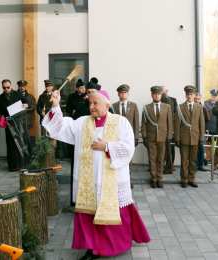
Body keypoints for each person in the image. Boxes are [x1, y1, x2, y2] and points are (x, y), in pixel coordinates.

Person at [42, 89, 150, 259]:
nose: (91, 107)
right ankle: (92, 247)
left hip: (111, 181)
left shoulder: (120, 122)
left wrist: (107, 146)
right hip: (88, 182)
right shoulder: (82, 123)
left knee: (114, 212)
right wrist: (56, 105)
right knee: (88, 214)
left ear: (107, 104)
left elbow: (129, 148)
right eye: (90, 103)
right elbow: (59, 128)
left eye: (95, 103)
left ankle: (114, 246)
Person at [141, 86, 173, 188]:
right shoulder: (146, 108)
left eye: (158, 94)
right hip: (151, 137)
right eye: (154, 94)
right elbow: (144, 123)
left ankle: (160, 178)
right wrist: (144, 136)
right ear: (152, 95)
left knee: (161, 158)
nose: (156, 96)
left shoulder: (167, 107)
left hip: (163, 137)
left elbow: (169, 123)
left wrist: (169, 136)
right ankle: (153, 178)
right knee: (152, 158)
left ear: (161, 95)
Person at [174, 85, 205, 188]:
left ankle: (192, 179)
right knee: (184, 160)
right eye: (188, 94)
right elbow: (177, 124)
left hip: (195, 138)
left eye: (191, 94)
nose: (189, 96)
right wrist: (177, 138)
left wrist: (201, 137)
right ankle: (184, 179)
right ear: (185, 95)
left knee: (193, 160)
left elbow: (201, 123)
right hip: (184, 138)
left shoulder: (199, 107)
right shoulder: (180, 107)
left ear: (194, 95)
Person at [66, 78, 89, 206]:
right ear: (76, 88)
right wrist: (73, 112)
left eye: (83, 88)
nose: (82, 90)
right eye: (80, 88)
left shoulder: (88, 100)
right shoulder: (71, 97)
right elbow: (69, 110)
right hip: (76, 132)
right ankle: (74, 198)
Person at [0, 79, 23, 171]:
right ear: (2, 87)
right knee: (10, 144)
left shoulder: (17, 94)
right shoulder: (0, 97)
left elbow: (25, 103)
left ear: (11, 86)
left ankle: (20, 164)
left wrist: (25, 105)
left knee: (18, 142)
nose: (6, 89)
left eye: (8, 87)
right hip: (7, 123)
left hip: (17, 122)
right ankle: (12, 166)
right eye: (4, 88)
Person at [161, 86, 177, 174]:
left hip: (171, 127)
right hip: (162, 127)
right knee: (163, 148)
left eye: (166, 90)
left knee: (171, 147)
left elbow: (176, 113)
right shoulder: (159, 99)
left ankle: (171, 165)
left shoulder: (173, 100)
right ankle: (163, 165)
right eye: (163, 91)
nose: (165, 92)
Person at [204, 88, 218, 165]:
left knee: (217, 145)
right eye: (213, 95)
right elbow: (208, 111)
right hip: (209, 126)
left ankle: (215, 159)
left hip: (217, 126)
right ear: (211, 95)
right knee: (208, 143)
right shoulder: (206, 103)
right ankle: (208, 158)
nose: (214, 97)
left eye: (215, 95)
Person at [195, 93, 208, 172]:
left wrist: (205, 129)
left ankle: (200, 165)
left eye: (198, 99)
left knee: (201, 149)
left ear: (200, 99)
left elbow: (207, 119)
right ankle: (194, 165)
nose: (197, 100)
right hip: (193, 131)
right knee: (194, 149)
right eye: (195, 99)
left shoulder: (203, 108)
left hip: (201, 131)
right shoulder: (192, 107)